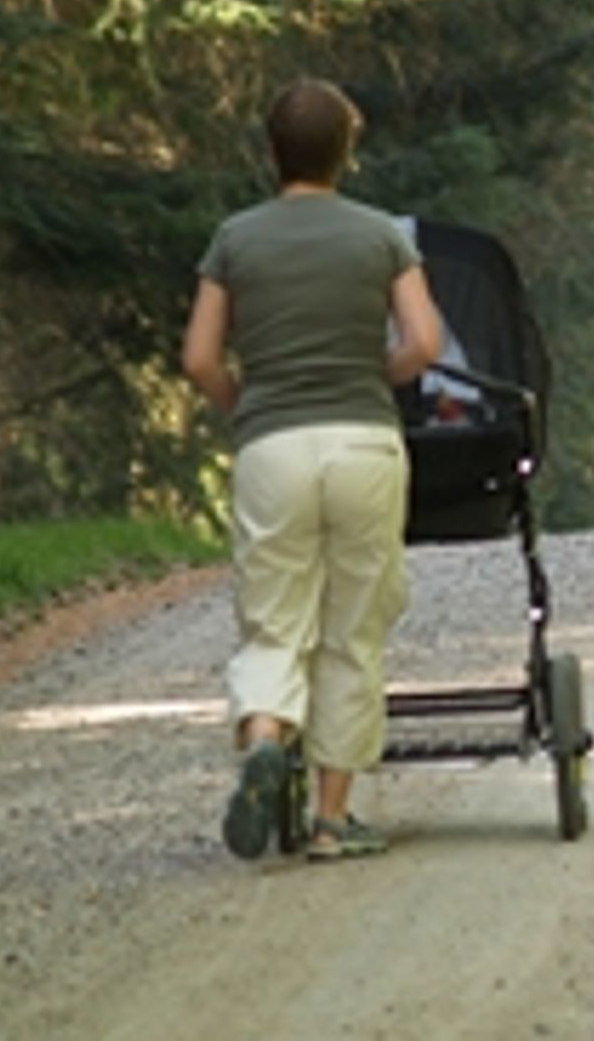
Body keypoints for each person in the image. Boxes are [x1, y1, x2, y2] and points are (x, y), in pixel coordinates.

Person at [181, 79, 443, 863]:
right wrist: (377, 375)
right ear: (346, 153)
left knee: (274, 616)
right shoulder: (379, 237)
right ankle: (332, 819)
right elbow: (425, 341)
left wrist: (244, 402)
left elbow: (199, 358)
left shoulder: (235, 238)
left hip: (273, 445)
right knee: (352, 625)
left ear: (271, 152)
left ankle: (265, 735)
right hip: (363, 439)